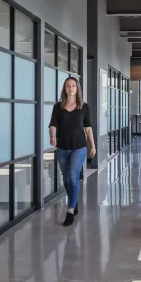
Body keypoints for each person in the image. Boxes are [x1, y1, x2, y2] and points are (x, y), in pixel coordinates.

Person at [49, 77, 96, 226]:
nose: (71, 88)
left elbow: (88, 128)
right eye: (68, 86)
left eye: (73, 86)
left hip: (79, 147)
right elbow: (52, 124)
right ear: (64, 88)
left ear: (77, 88)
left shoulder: (84, 107)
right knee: (66, 179)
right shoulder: (58, 107)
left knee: (73, 176)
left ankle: (70, 211)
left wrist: (92, 146)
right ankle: (74, 202)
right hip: (62, 147)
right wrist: (52, 136)